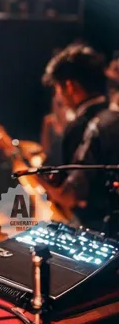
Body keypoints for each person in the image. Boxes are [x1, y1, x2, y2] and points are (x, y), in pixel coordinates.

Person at [40, 44, 119, 231]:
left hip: (96, 232)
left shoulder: (91, 125)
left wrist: (37, 181)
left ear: (69, 86)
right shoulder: (112, 117)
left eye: (58, 88)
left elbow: (72, 194)